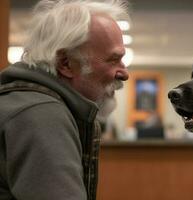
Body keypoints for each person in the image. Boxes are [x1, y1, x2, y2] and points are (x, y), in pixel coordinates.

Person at [0, 0, 129, 199]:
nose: (124, 73)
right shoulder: (42, 115)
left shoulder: (25, 103)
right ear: (66, 63)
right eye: (113, 59)